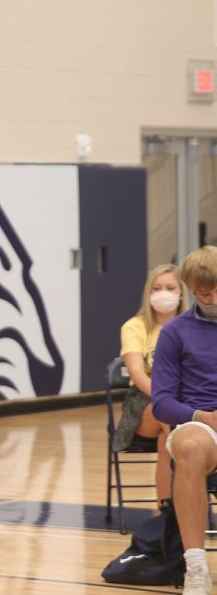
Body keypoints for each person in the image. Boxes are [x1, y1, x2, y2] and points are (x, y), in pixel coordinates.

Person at [151, 245, 217, 594]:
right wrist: (203, 415)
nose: (215, 298)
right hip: (200, 424)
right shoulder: (175, 332)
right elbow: (161, 403)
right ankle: (196, 567)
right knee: (190, 445)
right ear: (192, 291)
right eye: (207, 294)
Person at [114, 264, 187, 507]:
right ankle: (198, 488)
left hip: (187, 399)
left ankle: (167, 508)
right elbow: (136, 370)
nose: (163, 292)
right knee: (170, 421)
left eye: (169, 287)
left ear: (181, 293)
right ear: (148, 293)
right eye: (156, 288)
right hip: (145, 400)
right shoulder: (135, 326)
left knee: (167, 442)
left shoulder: (192, 325)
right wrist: (165, 397)